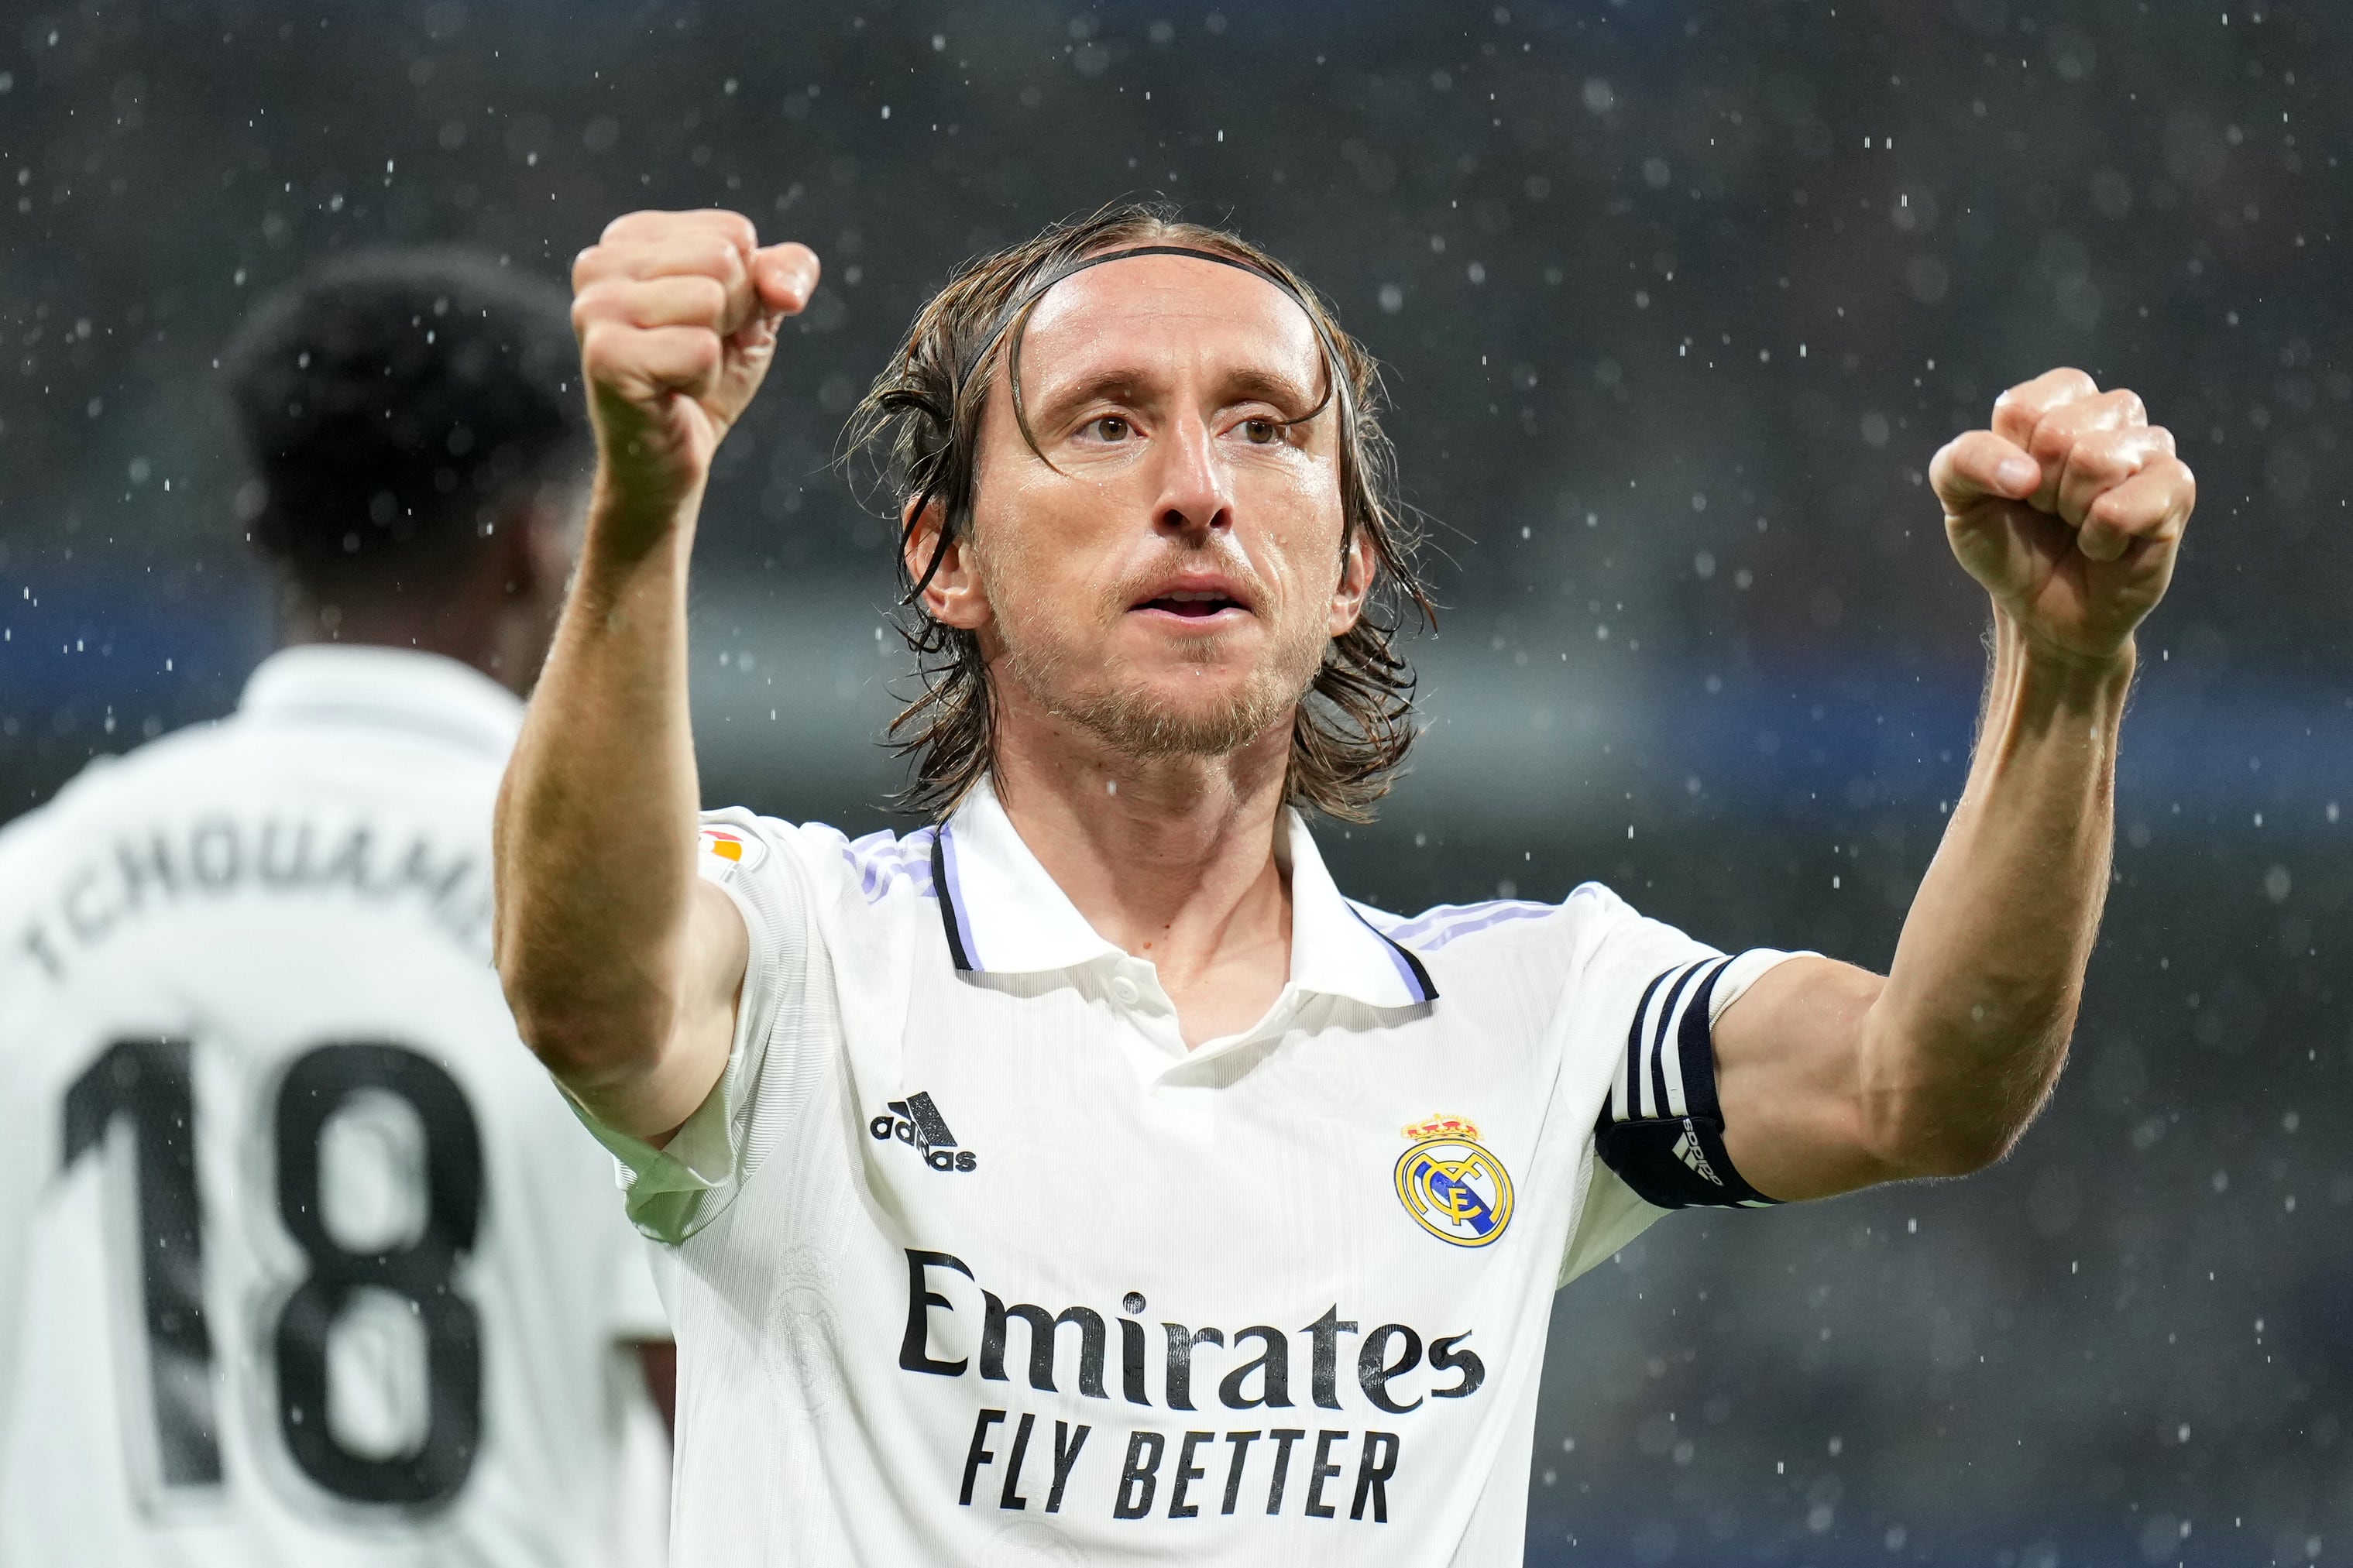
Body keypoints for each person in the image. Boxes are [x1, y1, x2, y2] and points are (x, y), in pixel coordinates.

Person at [494, 204, 2195, 1564]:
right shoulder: (805, 950)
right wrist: (646, 510)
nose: (1197, 489)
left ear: (1347, 565)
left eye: (1262, 429)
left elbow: (1931, 1077)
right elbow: (589, 986)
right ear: (949, 555)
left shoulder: (1542, 1014)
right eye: (1104, 425)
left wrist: (2064, 672)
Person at [0, 250, 673, 1564]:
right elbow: (734, 1418)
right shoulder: (651, 926)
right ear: (544, 540)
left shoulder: (30, 893)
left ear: (259, 523)